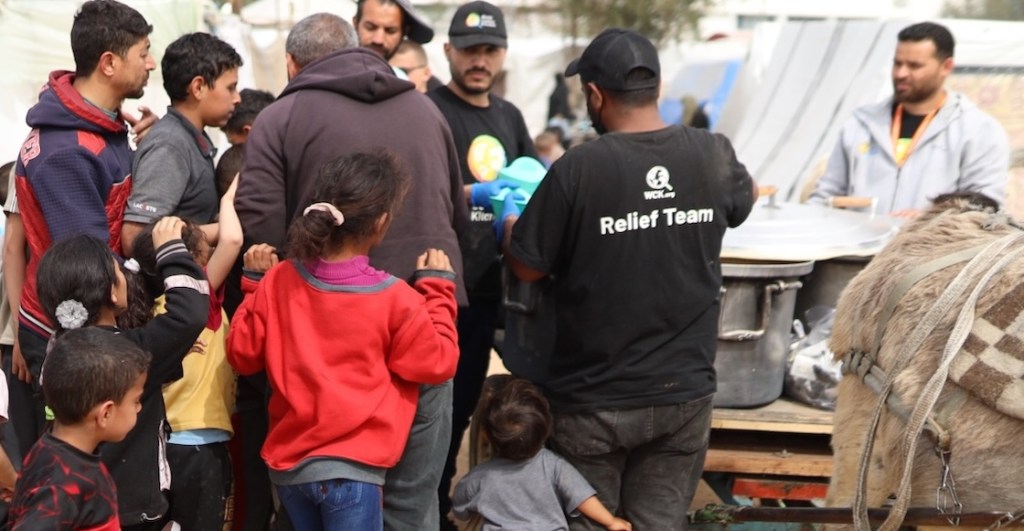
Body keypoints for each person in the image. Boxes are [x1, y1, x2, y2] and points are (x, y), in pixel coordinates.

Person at [499, 29, 756, 530]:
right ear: (656, 87)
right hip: (683, 393)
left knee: (591, 522)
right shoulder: (713, 153)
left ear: (595, 95)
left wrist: (510, 228)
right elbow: (743, 203)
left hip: (593, 400)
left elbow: (528, 265)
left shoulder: (578, 169)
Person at [235, 14, 467, 530]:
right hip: (422, 314)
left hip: (313, 342)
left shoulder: (283, 115)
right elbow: (456, 213)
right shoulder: (426, 110)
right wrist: (437, 290)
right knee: (411, 505)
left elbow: (261, 226)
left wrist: (272, 282)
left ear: (292, 64)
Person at [228, 150, 459, 530]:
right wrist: (438, 290)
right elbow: (438, 362)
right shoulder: (395, 299)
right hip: (353, 477)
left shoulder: (279, 281)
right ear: (381, 223)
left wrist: (253, 287)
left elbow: (243, 355)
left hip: (289, 474)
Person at [10, 0, 156, 475]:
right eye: (144, 53)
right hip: (74, 326)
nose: (151, 63)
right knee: (83, 473)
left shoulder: (97, 127)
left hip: (65, 316)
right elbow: (90, 275)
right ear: (109, 63)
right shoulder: (67, 153)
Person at [426, 3, 537, 525]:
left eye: (489, 50)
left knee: (472, 405)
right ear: (448, 51)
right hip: (441, 291)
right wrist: (477, 192)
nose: (479, 60)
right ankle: (426, 506)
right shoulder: (428, 111)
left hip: (497, 288)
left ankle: (461, 507)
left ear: (503, 55)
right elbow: (422, 192)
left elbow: (534, 186)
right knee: (434, 413)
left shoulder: (509, 116)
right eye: (469, 50)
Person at [35, 220, 209, 529]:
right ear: (111, 294)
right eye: (118, 272)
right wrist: (171, 250)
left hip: (80, 499)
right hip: (131, 507)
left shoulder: (58, 350)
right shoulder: (126, 353)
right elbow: (190, 313)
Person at [809, 21, 1009, 218]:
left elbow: (986, 209)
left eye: (914, 66)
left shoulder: (979, 130)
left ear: (946, 67)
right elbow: (825, 196)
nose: (901, 73)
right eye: (897, 63)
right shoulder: (860, 123)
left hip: (927, 249)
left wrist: (929, 219)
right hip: (856, 249)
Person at [131, 180, 242, 531]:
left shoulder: (153, 314)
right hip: (199, 447)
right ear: (196, 259)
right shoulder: (196, 304)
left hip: (163, 446)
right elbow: (233, 239)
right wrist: (229, 194)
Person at [9, 328, 149, 530]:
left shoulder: (49, 450)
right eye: (136, 400)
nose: (139, 407)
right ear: (105, 413)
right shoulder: (63, 485)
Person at [453, 378, 631, 531]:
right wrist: (611, 521)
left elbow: (461, 512)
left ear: (486, 436)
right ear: (546, 429)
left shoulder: (478, 478)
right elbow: (582, 497)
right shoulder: (553, 464)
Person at [122, 32, 242, 256]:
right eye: (230, 88)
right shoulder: (170, 146)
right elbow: (135, 239)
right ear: (198, 88)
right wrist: (224, 229)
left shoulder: (190, 137)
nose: (237, 98)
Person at [353, 0, 434, 61]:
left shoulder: (403, 81)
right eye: (370, 27)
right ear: (356, 24)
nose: (378, 40)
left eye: (390, 31)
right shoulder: (340, 72)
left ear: (404, 32)